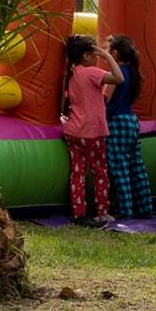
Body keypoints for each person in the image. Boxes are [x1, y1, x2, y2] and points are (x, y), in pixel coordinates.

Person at [61, 34, 121, 223]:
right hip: (92, 132)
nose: (97, 57)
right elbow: (119, 78)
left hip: (73, 131)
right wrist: (107, 56)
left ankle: (79, 212)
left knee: (77, 172)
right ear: (87, 56)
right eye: (94, 53)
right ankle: (102, 212)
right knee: (100, 171)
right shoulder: (92, 72)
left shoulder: (71, 74)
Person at [104, 34, 154, 219]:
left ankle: (125, 209)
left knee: (119, 166)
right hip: (131, 121)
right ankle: (145, 205)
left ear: (114, 53)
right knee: (136, 165)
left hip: (116, 121)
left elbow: (106, 99)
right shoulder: (133, 72)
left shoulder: (116, 74)